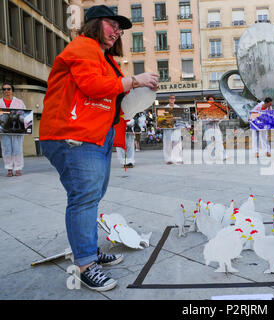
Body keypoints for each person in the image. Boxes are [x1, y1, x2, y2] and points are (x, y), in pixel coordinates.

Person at [39, 5, 159, 291]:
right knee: (84, 198)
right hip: (73, 135)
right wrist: (134, 80)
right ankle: (84, 265)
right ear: (94, 24)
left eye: (120, 29)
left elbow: (110, 94)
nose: (117, 31)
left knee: (91, 196)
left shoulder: (104, 58)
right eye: (112, 24)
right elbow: (92, 85)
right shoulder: (83, 46)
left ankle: (89, 253)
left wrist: (135, 95)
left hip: (93, 135)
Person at [0, 83, 26, 177]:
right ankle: (9, 168)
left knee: (17, 148)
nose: (6, 91)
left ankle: (18, 168)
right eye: (4, 89)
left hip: (17, 129)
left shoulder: (19, 102)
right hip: (4, 130)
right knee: (7, 149)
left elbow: (24, 115)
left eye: (8, 89)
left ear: (12, 90)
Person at [162, 95, 183, 164]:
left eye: (173, 98)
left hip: (176, 127)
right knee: (168, 143)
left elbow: (181, 117)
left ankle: (177, 158)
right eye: (170, 98)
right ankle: (169, 159)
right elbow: (162, 119)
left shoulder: (178, 108)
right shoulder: (165, 108)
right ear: (168, 99)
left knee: (177, 143)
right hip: (167, 127)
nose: (172, 99)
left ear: (175, 100)